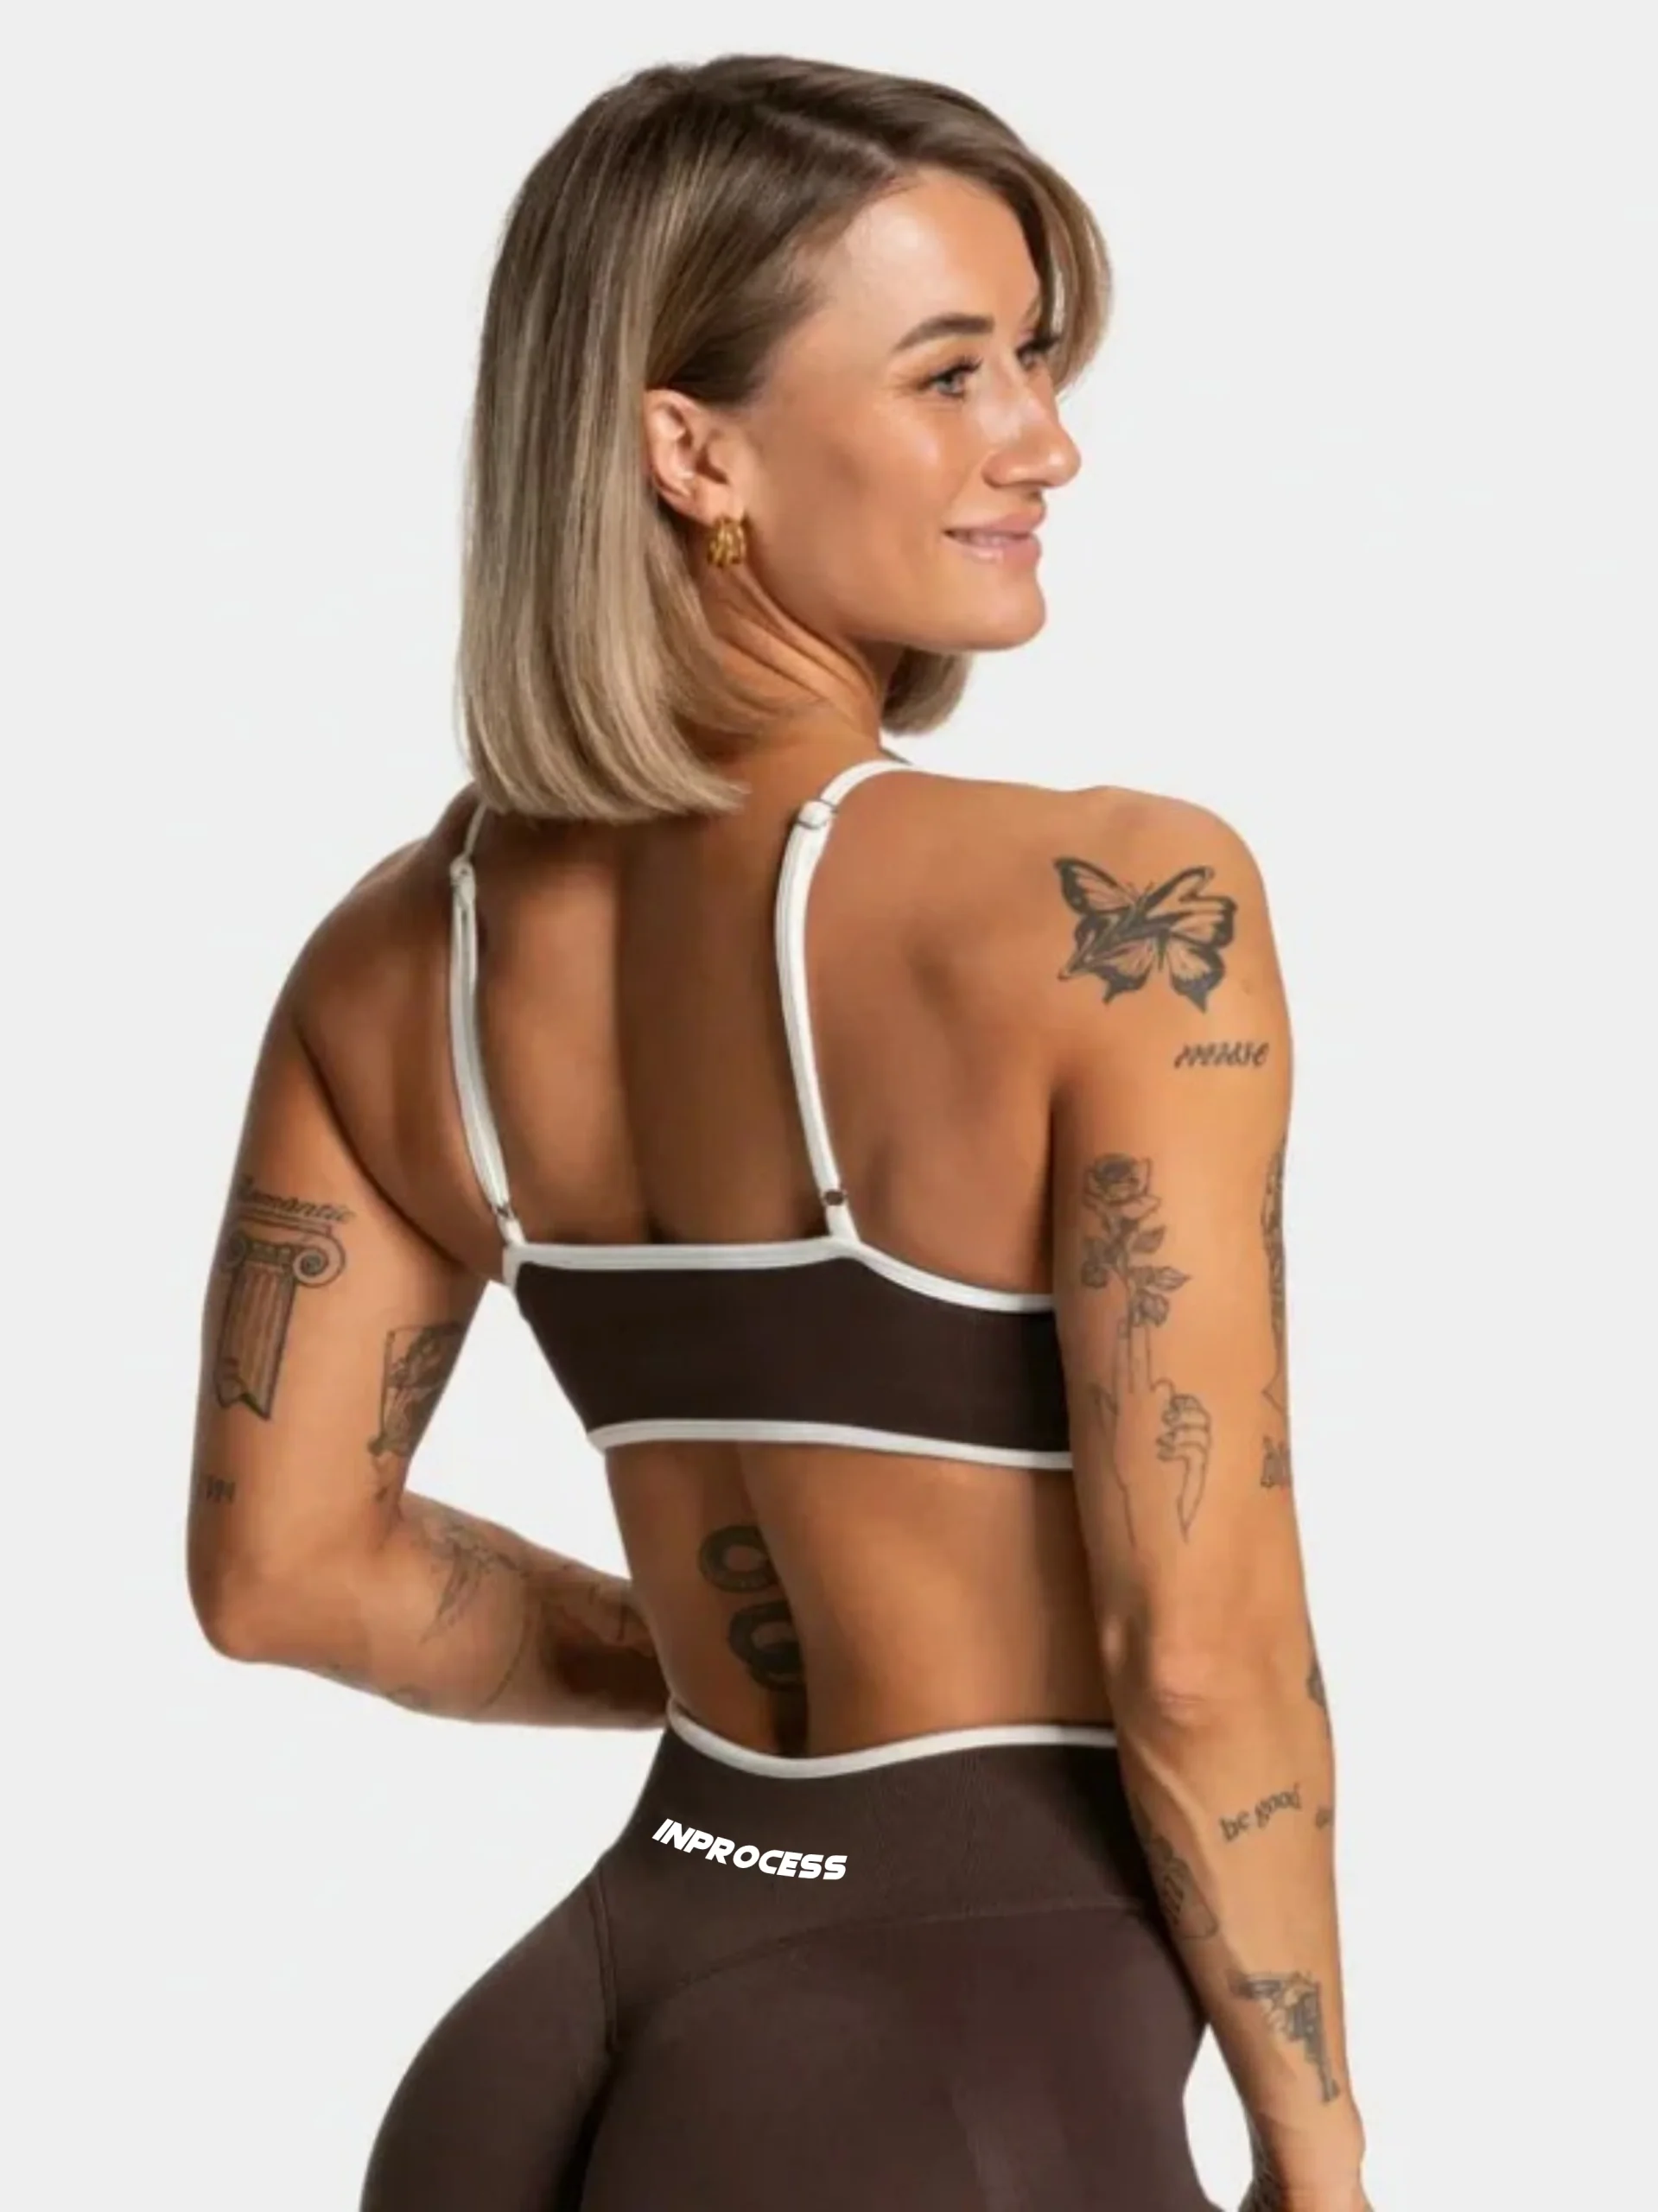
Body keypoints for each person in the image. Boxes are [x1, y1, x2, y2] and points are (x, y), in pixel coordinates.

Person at [186, 51, 1371, 2212]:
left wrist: (748, 1654)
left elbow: (287, 1576)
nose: (1043, 437)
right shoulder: (1111, 907)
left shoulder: (393, 959)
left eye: (1034, 357)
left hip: (545, 2039)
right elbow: (1196, 1646)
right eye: (950, 371)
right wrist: (1321, 2156)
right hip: (947, 2059)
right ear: (691, 449)